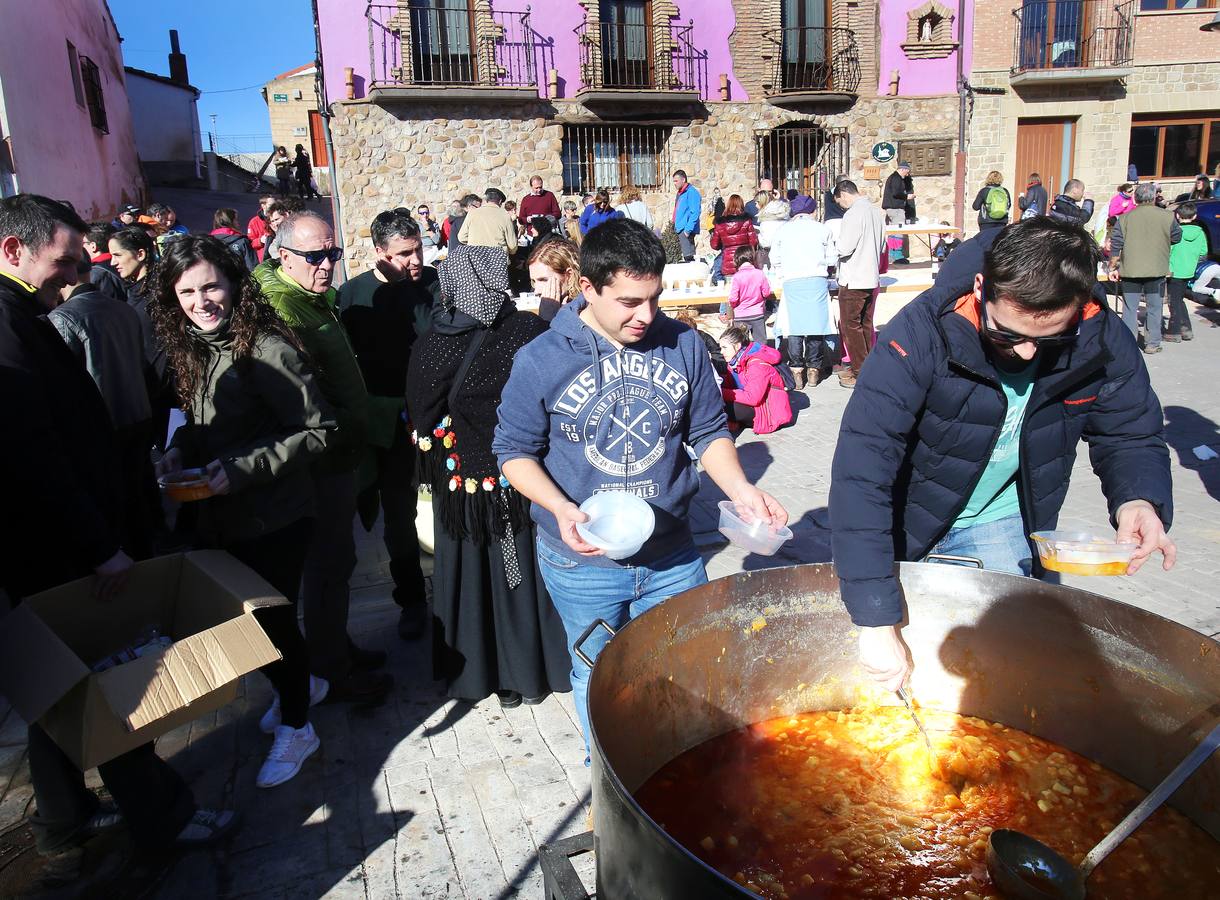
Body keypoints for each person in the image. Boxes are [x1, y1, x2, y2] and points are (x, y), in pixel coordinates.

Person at [829, 217, 1175, 693]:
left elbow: (1130, 432)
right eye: (1007, 336)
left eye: (1051, 339)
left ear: (1080, 307)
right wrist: (872, 619)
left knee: (1003, 681)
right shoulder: (919, 334)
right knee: (900, 664)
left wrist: (1139, 499)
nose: (1029, 353)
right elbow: (861, 473)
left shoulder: (1099, 333)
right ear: (980, 289)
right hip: (909, 518)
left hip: (1003, 523)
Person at [1, 195, 239, 879]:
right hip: (60, 548)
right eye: (64, 260)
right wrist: (100, 544)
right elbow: (35, 458)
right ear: (14, 251)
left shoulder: (24, 315)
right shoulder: (8, 327)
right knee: (111, 689)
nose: (75, 274)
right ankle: (163, 814)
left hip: (52, 542)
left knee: (57, 685)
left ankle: (63, 819)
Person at [492, 218, 788, 757]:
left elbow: (707, 430)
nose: (645, 316)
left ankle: (673, 769)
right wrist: (559, 507)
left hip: (673, 553)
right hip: (583, 561)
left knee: (682, 668)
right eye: (629, 302)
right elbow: (513, 452)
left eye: (653, 298)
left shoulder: (683, 344)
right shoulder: (541, 358)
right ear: (587, 288)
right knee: (599, 676)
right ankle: (608, 782)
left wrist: (742, 489)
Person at [150, 235, 334, 788]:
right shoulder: (191, 346)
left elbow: (320, 431)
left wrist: (243, 468)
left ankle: (299, 725)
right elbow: (199, 421)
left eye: (211, 286)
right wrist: (181, 452)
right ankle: (299, 688)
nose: (201, 301)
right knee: (253, 624)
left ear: (233, 285)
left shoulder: (268, 349)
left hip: (276, 516)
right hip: (221, 517)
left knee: (272, 624)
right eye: (186, 291)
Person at [405, 244, 570, 706]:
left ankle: (480, 673)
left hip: (461, 485)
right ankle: (527, 670)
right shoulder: (526, 330)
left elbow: (420, 415)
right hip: (519, 476)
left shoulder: (432, 340)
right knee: (516, 572)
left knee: (471, 576)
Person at [253, 211, 391, 702]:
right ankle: (331, 668)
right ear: (282, 254)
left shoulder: (309, 298)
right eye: (314, 257)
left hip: (336, 454)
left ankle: (335, 647)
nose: (326, 265)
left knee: (336, 561)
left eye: (332, 254)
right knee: (329, 563)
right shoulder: (282, 308)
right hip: (318, 462)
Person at [337, 210, 435, 640]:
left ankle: (454, 594)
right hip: (384, 424)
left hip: (433, 417)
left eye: (417, 249)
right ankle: (411, 598)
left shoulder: (434, 283)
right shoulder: (352, 296)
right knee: (399, 515)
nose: (414, 260)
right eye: (403, 254)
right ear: (379, 252)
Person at [49, 252, 157, 560]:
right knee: (137, 499)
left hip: (105, 425)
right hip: (139, 415)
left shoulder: (63, 318)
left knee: (115, 504)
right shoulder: (123, 309)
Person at [771, 194, 837, 390]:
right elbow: (832, 259)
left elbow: (775, 258)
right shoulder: (822, 229)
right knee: (815, 326)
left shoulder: (783, 230)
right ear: (812, 211)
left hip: (792, 281)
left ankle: (797, 370)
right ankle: (814, 370)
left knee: (794, 327)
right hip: (816, 280)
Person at [1110, 182, 1181, 354]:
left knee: (1129, 308)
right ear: (1154, 196)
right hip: (1156, 269)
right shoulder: (1167, 216)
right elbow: (1177, 237)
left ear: (1136, 197)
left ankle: (1129, 343)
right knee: (1155, 307)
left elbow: (1116, 243)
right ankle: (1152, 343)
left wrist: (1113, 266)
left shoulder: (1125, 218)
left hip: (1130, 270)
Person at [833, 180, 886, 389]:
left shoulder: (853, 214)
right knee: (865, 324)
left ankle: (860, 372)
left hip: (854, 278)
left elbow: (845, 247)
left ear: (844, 194)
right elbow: (882, 245)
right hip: (870, 275)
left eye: (840, 201)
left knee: (850, 326)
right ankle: (867, 368)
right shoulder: (875, 212)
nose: (841, 205)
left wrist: (834, 248)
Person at [719, 324, 793, 435]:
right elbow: (732, 384)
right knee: (713, 400)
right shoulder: (735, 361)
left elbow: (753, 398)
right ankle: (735, 423)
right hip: (754, 405)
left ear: (738, 346)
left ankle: (733, 423)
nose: (721, 352)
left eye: (724, 348)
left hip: (767, 412)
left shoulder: (756, 364)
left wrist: (721, 392)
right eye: (720, 348)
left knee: (719, 405)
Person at [1165, 201, 1207, 343]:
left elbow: (1168, 250)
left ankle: (1174, 331)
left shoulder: (1176, 232)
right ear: (1194, 216)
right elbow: (1203, 252)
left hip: (1174, 270)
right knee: (1179, 299)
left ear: (1177, 215)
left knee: (1173, 301)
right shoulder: (1200, 233)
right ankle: (1186, 328)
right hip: (1189, 270)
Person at [527, 235, 581, 322]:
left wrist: (547, 320)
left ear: (569, 275)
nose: (536, 291)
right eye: (533, 281)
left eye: (543, 280)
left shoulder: (585, 311)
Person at [725, 246, 771, 344]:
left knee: (740, 344)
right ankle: (760, 359)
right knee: (761, 344)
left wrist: (734, 307)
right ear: (752, 258)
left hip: (741, 315)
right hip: (757, 314)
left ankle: (743, 359)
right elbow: (766, 293)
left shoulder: (736, 277)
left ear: (737, 259)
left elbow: (733, 298)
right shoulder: (760, 274)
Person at [710, 193, 758, 279]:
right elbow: (753, 242)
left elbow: (714, 245)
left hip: (728, 261)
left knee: (731, 289)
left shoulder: (720, 223)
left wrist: (724, 243)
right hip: (745, 259)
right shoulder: (747, 221)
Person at [458, 187, 517, 257]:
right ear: (500, 201)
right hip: (497, 260)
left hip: (476, 259)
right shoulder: (505, 216)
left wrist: (475, 243)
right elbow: (512, 246)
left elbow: (461, 237)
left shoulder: (472, 213)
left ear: (486, 199)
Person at [882, 162, 914, 264]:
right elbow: (896, 192)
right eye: (907, 172)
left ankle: (892, 254)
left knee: (893, 231)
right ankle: (897, 256)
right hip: (895, 208)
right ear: (903, 169)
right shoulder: (896, 178)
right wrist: (907, 197)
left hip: (891, 208)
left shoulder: (893, 177)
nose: (907, 175)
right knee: (898, 230)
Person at [263, 196, 306, 261]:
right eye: (272, 221)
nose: (275, 224)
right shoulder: (277, 236)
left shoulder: (299, 231)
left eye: (277, 219)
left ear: (286, 215)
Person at [672, 169, 702, 261]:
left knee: (689, 258)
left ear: (683, 180)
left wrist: (688, 230)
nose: (674, 183)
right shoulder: (680, 193)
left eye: (676, 181)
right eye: (674, 181)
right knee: (686, 258)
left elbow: (695, 212)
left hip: (685, 230)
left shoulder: (692, 192)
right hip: (680, 228)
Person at [248, 194, 275, 262]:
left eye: (275, 204)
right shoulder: (254, 222)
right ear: (263, 206)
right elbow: (250, 243)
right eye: (271, 205)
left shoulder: (278, 218)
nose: (274, 207)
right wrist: (260, 241)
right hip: (262, 260)